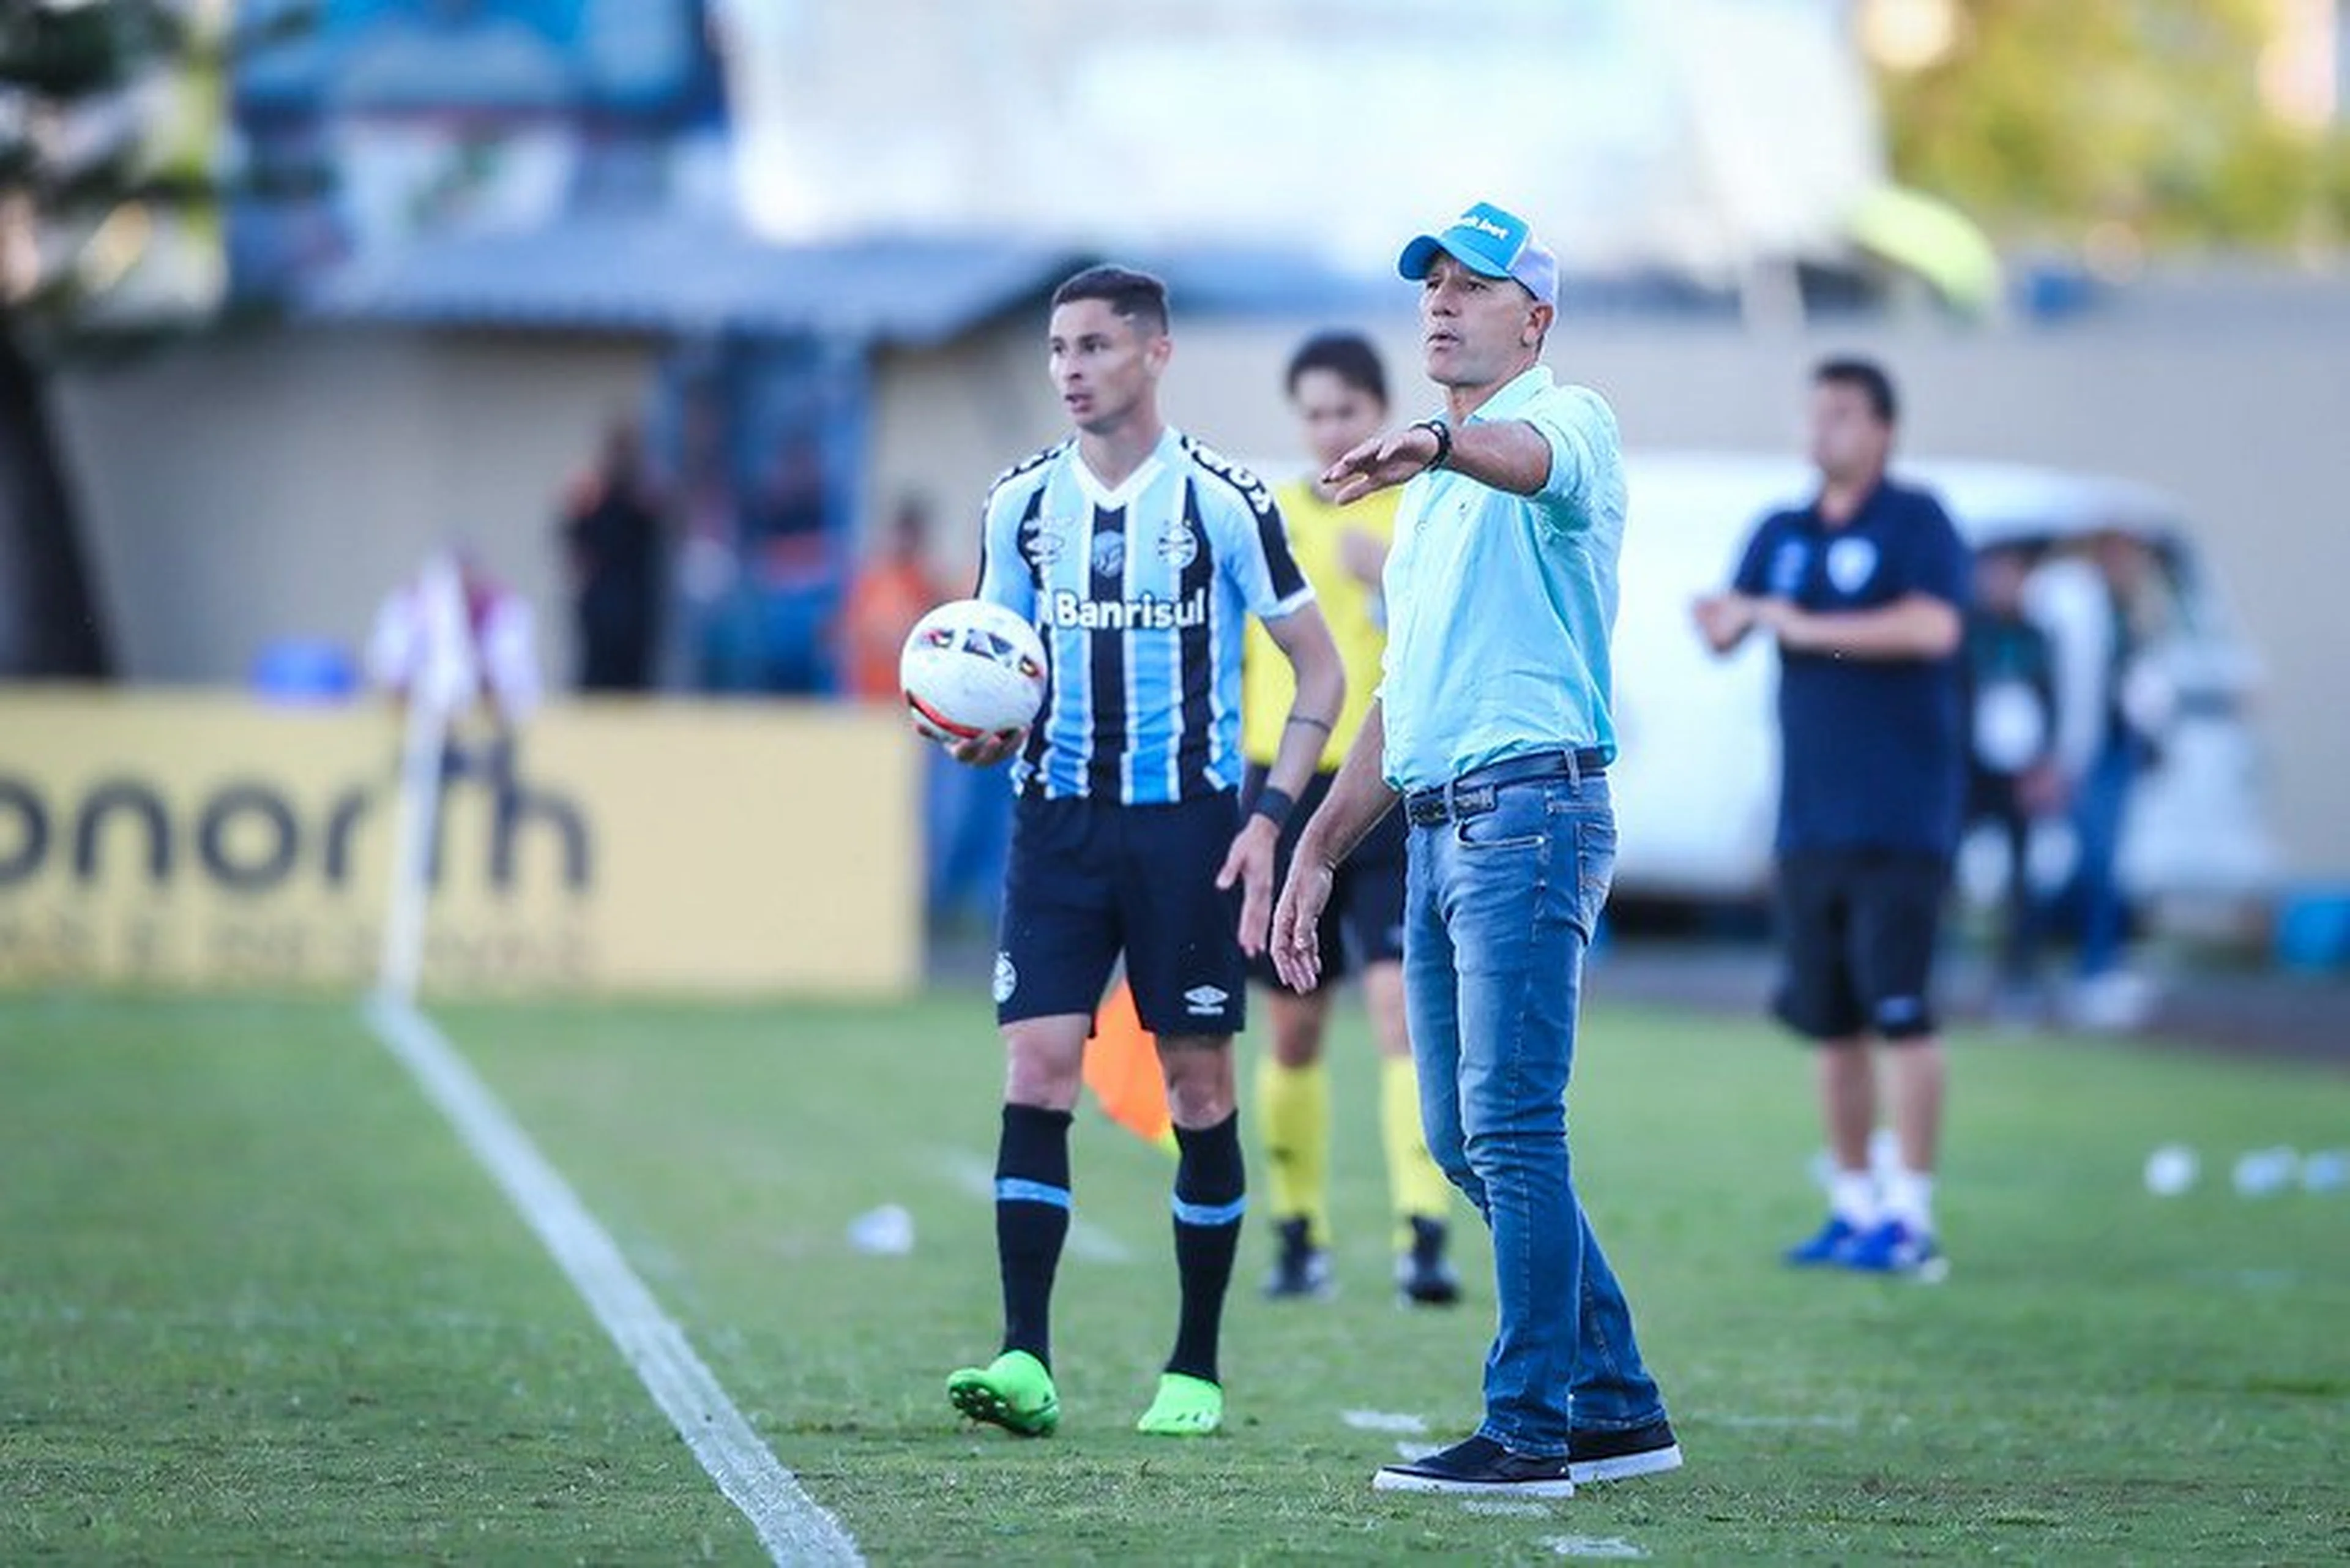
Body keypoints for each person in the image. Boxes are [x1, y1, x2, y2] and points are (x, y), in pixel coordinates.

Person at [1272, 201, 1678, 1497]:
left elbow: (1526, 460)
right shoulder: (1435, 500)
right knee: (1461, 1138)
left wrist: (1440, 442)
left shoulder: (1570, 423)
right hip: (1446, 827)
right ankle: (1615, 1405)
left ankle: (1529, 1430)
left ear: (1535, 318)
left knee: (1511, 1124)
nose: (1442, 303)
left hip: (1531, 815)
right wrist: (1320, 845)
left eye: (1474, 285)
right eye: (1432, 285)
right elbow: (1408, 698)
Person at [939, 264, 1345, 1441]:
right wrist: (979, 734)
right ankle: (1025, 1359)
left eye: (1096, 348)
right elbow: (992, 664)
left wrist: (1271, 815)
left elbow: (1320, 668)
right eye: (1059, 350)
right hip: (1055, 825)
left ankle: (1195, 1367)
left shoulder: (1225, 500)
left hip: (1188, 833)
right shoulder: (1017, 504)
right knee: (1038, 1072)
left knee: (1198, 1085)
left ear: (1155, 354)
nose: (1071, 370)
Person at [1692, 357, 1969, 1278]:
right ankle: (1854, 1204)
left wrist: (1808, 627)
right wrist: (1723, 619)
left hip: (1902, 817)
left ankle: (1911, 1211)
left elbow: (1934, 629)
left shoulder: (1916, 523)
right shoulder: (1783, 529)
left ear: (1884, 430)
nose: (1823, 431)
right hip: (1810, 821)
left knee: (1902, 1014)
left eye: (1843, 415)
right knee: (1830, 1020)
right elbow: (1731, 624)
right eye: (1816, 414)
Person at [1240, 330, 1458, 1307]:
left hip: (1389, 796)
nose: (1331, 430)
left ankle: (1425, 1232)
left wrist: (1390, 574)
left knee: (1399, 1018)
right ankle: (1300, 1230)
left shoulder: (1427, 515)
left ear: (1378, 414)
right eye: (1315, 414)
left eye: (1346, 412)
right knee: (1293, 1032)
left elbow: (1455, 639)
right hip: (1283, 794)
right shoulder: (1269, 521)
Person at [1960, 542, 2066, 1019]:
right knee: (1940, 863)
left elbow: (2053, 702)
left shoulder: (2037, 636)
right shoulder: (1968, 631)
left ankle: (2018, 973)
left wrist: (2044, 764)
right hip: (1971, 769)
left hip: (2020, 770)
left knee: (2022, 876)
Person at [558, 418, 665, 693]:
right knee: (597, 675)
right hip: (602, 602)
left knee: (634, 678)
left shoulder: (643, 491)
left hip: (636, 603)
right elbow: (574, 542)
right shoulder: (593, 495)